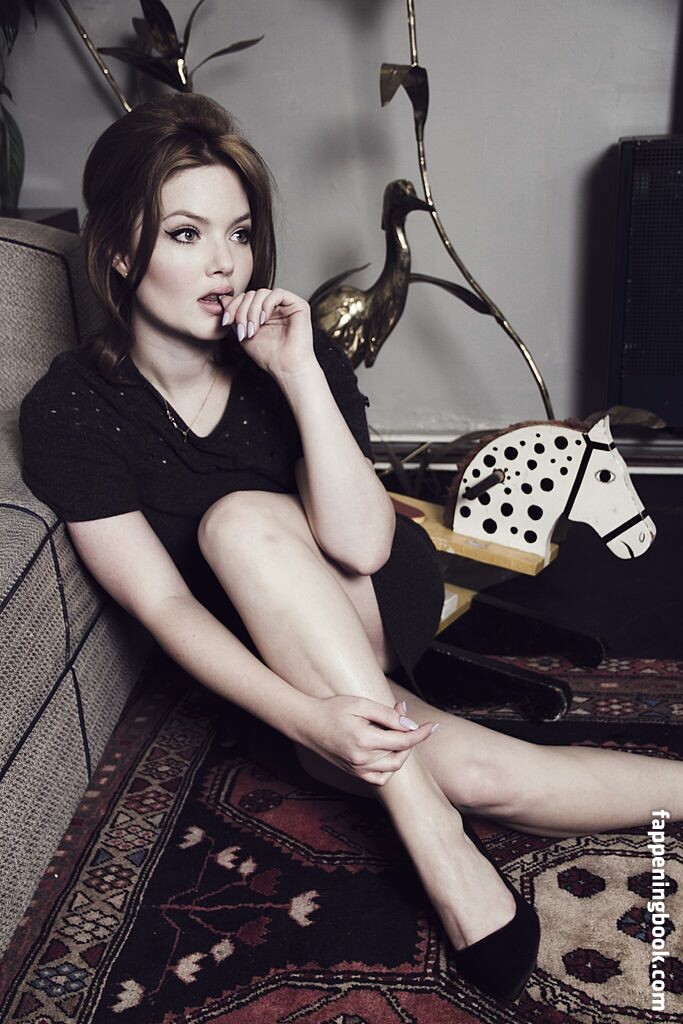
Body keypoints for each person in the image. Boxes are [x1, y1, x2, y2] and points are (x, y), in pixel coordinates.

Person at [19, 93, 682, 1003]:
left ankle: (431, 836)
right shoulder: (70, 410)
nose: (224, 262)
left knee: (237, 520)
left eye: (239, 233)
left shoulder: (293, 350)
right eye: (185, 234)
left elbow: (365, 541)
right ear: (121, 251)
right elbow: (162, 604)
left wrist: (298, 376)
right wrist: (310, 723)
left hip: (367, 597)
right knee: (481, 773)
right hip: (268, 667)